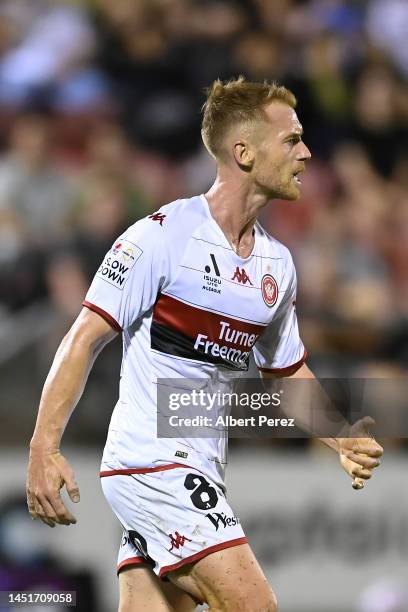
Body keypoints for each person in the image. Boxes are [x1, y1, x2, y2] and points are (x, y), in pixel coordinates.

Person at [26, 78, 383, 612]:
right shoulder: (161, 237)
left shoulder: (277, 265)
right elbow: (83, 339)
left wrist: (340, 437)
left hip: (200, 462)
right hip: (152, 462)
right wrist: (43, 448)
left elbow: (284, 374)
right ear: (244, 152)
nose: (307, 153)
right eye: (292, 140)